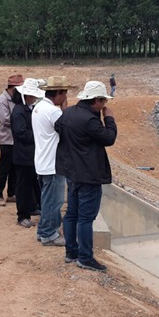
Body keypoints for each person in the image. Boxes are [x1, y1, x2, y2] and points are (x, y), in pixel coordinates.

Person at [54, 80, 117, 272]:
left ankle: (71, 252)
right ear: (96, 100)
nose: (105, 104)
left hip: (72, 172)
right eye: (103, 101)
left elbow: (57, 126)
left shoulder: (68, 113)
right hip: (89, 174)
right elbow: (109, 138)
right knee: (86, 218)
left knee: (71, 214)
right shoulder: (90, 120)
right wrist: (109, 118)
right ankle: (85, 257)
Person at [32, 75, 75, 246]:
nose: (65, 97)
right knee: (54, 201)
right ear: (58, 93)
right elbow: (68, 130)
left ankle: (43, 230)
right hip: (53, 163)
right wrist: (65, 110)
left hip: (42, 160)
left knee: (46, 199)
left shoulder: (39, 107)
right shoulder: (53, 112)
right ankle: (49, 234)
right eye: (64, 93)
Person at [11, 78, 44, 228]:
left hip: (30, 154)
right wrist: (38, 135)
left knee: (32, 183)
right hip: (23, 155)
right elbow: (21, 133)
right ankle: (22, 215)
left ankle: (32, 207)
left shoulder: (29, 109)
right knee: (23, 186)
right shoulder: (19, 112)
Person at [0, 74, 24, 207]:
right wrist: (22, 121)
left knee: (14, 167)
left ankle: (12, 193)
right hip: (6, 139)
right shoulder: (2, 100)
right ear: (13, 88)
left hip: (14, 139)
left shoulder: (15, 99)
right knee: (4, 167)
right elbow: (6, 120)